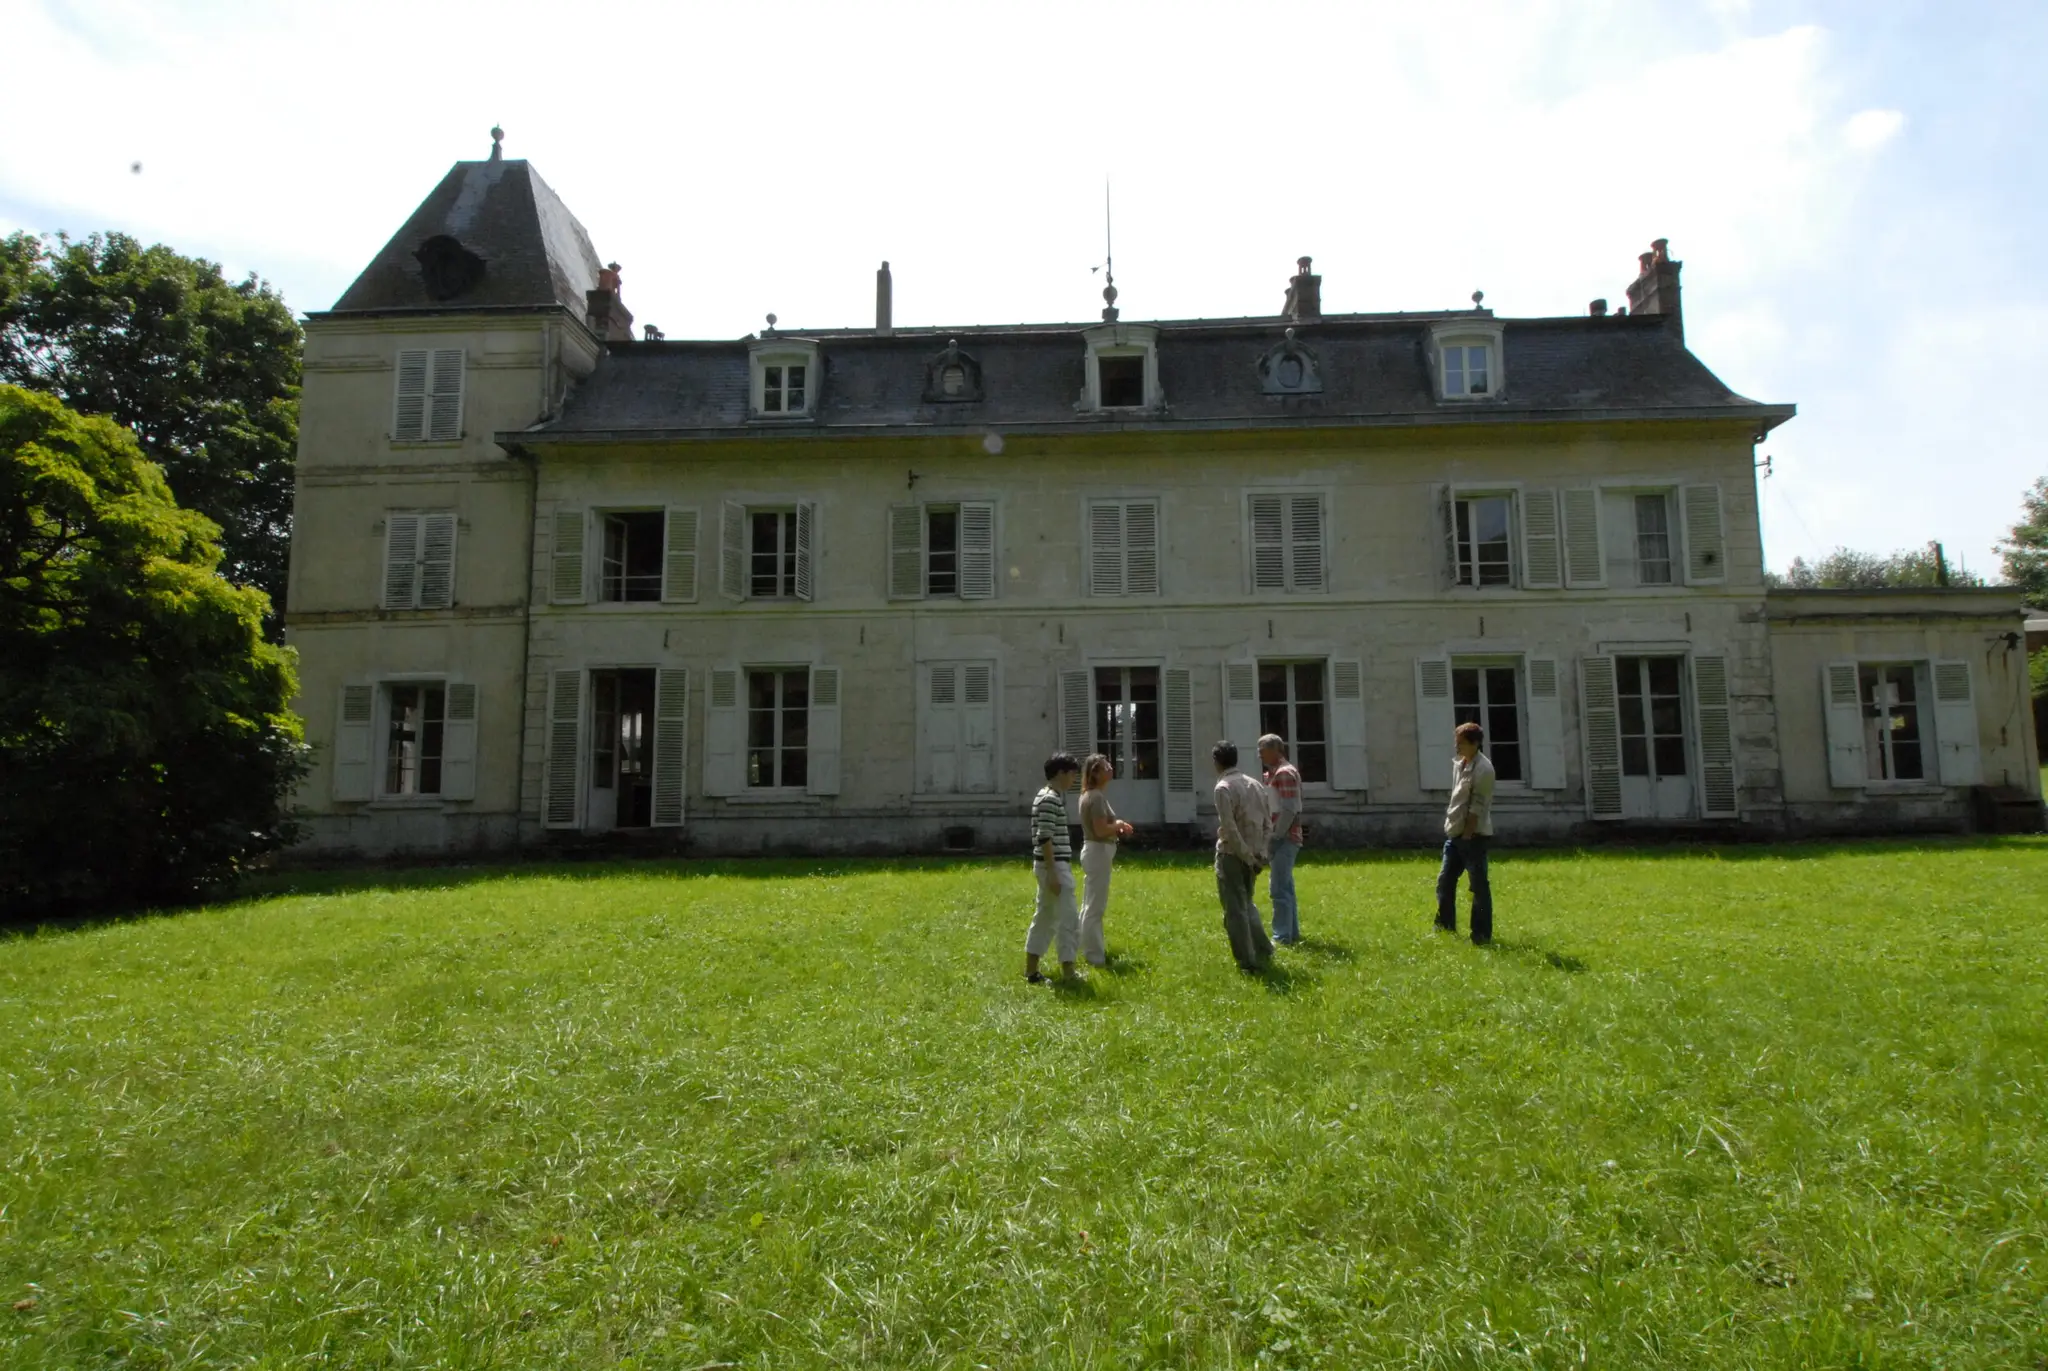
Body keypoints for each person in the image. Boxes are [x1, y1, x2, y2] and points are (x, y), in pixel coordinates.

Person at [1211, 740, 1274, 972]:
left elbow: (1230, 829)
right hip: (1255, 855)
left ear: (1216, 762)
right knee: (1246, 903)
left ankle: (1247, 960)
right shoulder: (1255, 784)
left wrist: (1247, 857)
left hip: (1232, 855)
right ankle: (1263, 947)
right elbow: (1268, 824)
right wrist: (1261, 853)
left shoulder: (1223, 788)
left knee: (1235, 909)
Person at [1024, 752, 1083, 983]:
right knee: (1068, 919)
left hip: (1049, 865)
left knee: (1045, 917)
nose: (1073, 780)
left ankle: (1031, 970)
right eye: (1072, 774)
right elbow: (1045, 837)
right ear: (1060, 773)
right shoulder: (1049, 799)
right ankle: (1069, 971)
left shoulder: (1046, 796)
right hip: (1054, 865)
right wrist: (1053, 873)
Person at [1436, 721, 1496, 945]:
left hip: (1474, 837)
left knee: (1478, 887)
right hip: (1455, 834)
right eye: (1457, 742)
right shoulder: (1460, 764)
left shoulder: (1484, 770)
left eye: (1461, 743)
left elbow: (1477, 807)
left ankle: (1481, 935)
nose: (1457, 747)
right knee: (1445, 881)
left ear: (1475, 744)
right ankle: (1444, 926)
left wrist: (1467, 836)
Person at [1076, 753, 1134, 967]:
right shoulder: (1097, 797)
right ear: (1095, 773)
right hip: (1098, 851)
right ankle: (1094, 956)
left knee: (1089, 904)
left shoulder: (1089, 795)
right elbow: (1100, 830)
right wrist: (1118, 825)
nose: (1110, 767)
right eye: (1105, 766)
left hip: (1094, 851)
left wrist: (1117, 825)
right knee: (1095, 907)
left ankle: (1084, 947)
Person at [1258, 733, 1304, 946]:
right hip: (1280, 835)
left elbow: (1290, 809)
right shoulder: (1272, 773)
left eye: (1262, 750)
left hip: (1285, 837)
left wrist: (1276, 836)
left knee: (1278, 889)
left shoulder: (1285, 773)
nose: (1259, 755)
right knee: (1286, 887)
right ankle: (1291, 932)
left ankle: (1282, 936)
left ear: (1275, 750)